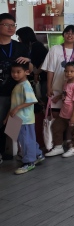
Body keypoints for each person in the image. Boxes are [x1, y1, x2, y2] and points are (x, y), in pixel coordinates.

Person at [41, 25, 74, 147]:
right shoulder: (55, 49)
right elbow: (50, 70)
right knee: (57, 116)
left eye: (73, 33)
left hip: (73, 91)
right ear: (63, 34)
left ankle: (69, 140)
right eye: (67, 32)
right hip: (57, 87)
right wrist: (49, 87)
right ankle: (56, 142)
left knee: (71, 115)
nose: (70, 35)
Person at [0, 13, 31, 163]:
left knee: (14, 124)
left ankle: (11, 151)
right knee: (1, 123)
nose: (11, 28)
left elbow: (30, 69)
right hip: (1, 93)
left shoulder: (20, 47)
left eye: (13, 25)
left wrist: (28, 61)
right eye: (7, 25)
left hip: (17, 92)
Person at [5, 62, 42, 174]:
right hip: (17, 118)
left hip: (24, 119)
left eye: (18, 72)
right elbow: (14, 103)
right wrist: (8, 116)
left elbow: (32, 100)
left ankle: (29, 162)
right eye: (13, 72)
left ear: (27, 72)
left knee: (26, 140)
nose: (15, 74)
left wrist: (17, 108)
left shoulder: (25, 85)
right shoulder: (19, 85)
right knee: (25, 139)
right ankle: (37, 154)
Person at [45, 62, 74, 158]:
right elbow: (66, 94)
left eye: (72, 71)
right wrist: (58, 97)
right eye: (66, 71)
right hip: (64, 112)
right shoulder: (66, 83)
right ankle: (58, 147)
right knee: (56, 127)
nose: (69, 73)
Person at [16, 26, 48, 101]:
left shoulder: (37, 45)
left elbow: (44, 61)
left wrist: (36, 73)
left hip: (42, 77)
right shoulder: (28, 46)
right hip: (36, 76)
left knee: (41, 96)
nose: (18, 39)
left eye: (19, 36)